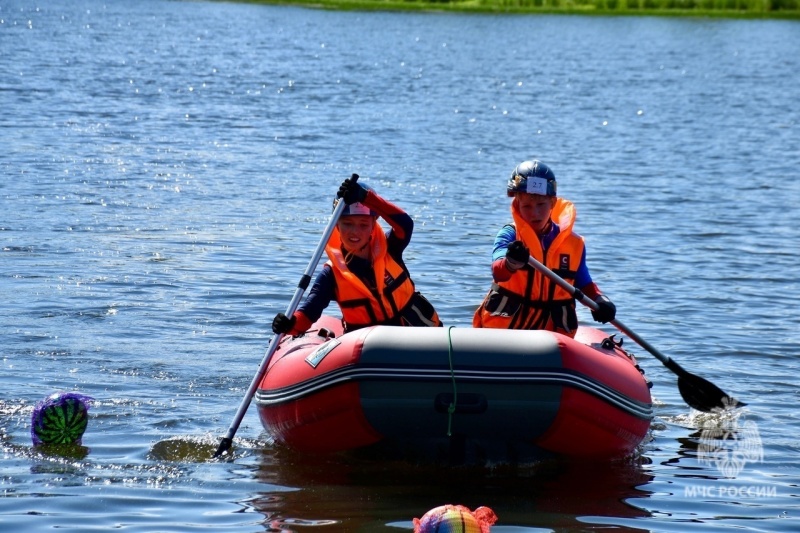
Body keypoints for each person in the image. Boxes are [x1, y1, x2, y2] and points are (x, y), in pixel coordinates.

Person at [272, 176, 442, 337]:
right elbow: (308, 313)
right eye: (347, 224)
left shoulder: (390, 248)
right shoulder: (331, 275)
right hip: (371, 349)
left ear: (373, 227)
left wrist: (367, 198)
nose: (355, 232)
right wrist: (289, 324)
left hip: (419, 336)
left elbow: (406, 224)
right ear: (337, 226)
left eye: (363, 224)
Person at [472, 160, 616, 337]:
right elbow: (498, 272)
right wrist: (510, 263)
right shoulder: (509, 235)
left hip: (551, 338)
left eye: (541, 205)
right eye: (527, 206)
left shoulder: (574, 243)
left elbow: (584, 283)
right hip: (506, 335)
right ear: (517, 205)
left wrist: (600, 300)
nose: (535, 213)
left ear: (553, 202)